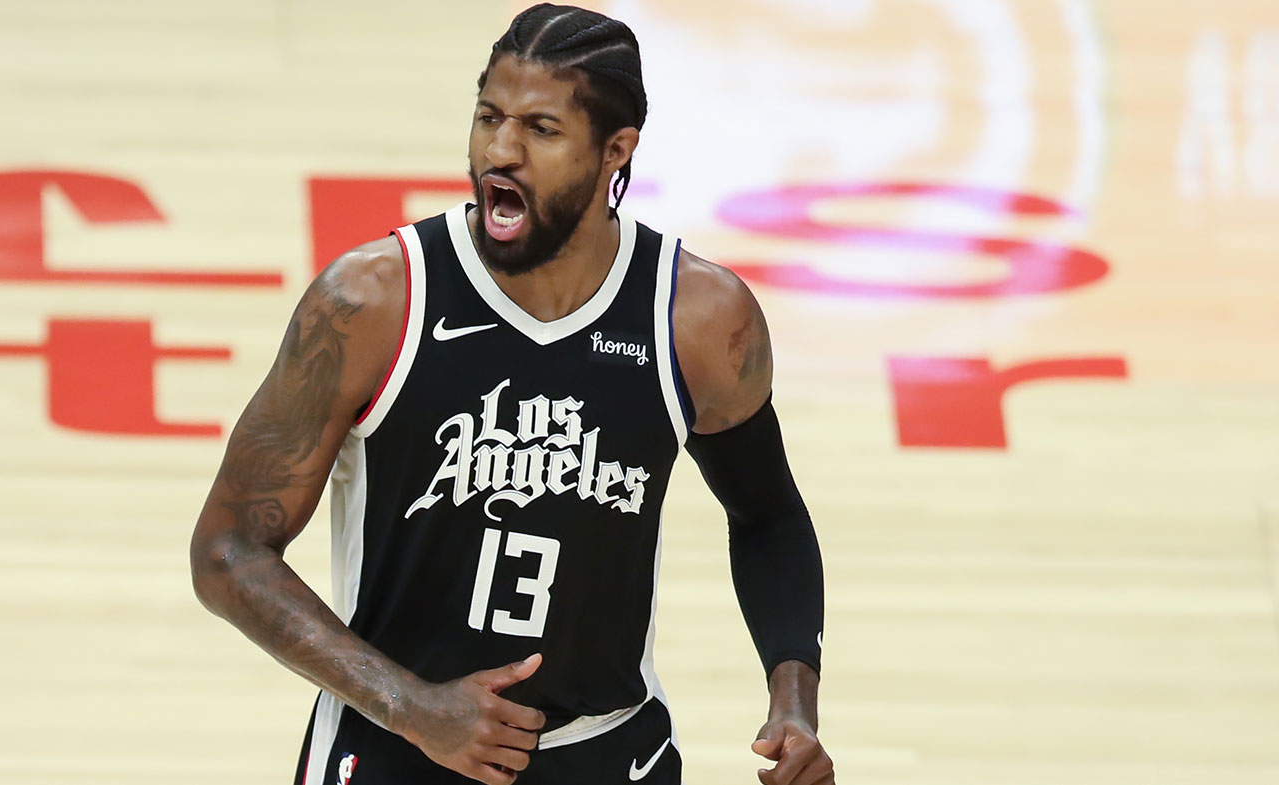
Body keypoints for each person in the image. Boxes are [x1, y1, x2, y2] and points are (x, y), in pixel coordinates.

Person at [189, 4, 832, 784]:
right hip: (400, 746)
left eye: (541, 129)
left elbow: (769, 518)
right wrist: (411, 703)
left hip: (606, 751)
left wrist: (793, 695)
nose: (500, 150)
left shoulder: (698, 319)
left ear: (614, 153)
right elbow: (227, 550)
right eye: (489, 116)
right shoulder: (374, 302)